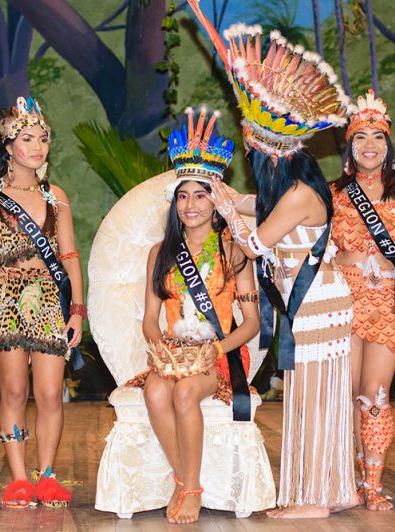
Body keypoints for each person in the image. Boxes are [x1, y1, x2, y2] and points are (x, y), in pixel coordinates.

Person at [187, 0, 359, 518]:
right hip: (315, 306)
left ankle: (312, 499)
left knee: (312, 401)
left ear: (269, 154)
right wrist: (226, 195)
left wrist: (221, 203)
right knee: (320, 400)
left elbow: (255, 242)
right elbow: (255, 208)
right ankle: (337, 489)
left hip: (318, 307)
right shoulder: (294, 188)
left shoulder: (300, 195)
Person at [124, 107, 259, 524]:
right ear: (173, 203)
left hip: (218, 354)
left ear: (215, 201)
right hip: (172, 351)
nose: (191, 205)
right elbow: (150, 318)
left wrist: (214, 348)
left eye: (201, 194)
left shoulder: (234, 251)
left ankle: (193, 488)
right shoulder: (158, 254)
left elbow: (251, 323)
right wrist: (161, 349)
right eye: (183, 195)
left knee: (184, 394)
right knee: (155, 391)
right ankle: (183, 481)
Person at [0, 97, 85, 508]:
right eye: (28, 138)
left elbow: (69, 254)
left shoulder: (57, 196)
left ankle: (47, 475)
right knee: (14, 390)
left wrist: (77, 310)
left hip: (51, 301)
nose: (37, 147)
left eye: (43, 139)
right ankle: (19, 479)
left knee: (51, 393)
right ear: (8, 145)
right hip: (3, 302)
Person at [330, 90, 395, 510]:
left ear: (388, 145)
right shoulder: (333, 191)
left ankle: (372, 483)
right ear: (349, 146)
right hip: (342, 299)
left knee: (375, 394)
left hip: (387, 304)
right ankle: (346, 477)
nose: (369, 145)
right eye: (359, 137)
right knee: (347, 391)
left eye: (377, 137)